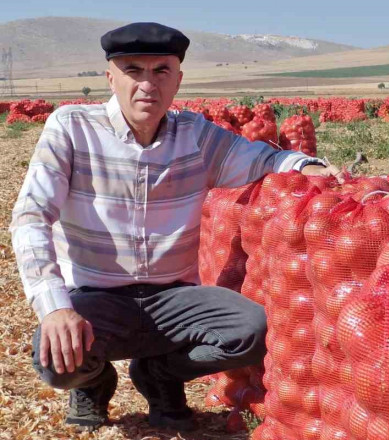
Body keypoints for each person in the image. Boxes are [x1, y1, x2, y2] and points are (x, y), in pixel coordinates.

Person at [9, 22, 341, 432]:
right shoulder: (71, 128)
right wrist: (56, 307)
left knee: (254, 331)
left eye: (161, 71)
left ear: (177, 80)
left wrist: (305, 164)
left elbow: (263, 158)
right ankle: (94, 381)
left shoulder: (196, 135)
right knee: (53, 357)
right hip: (97, 296)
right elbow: (31, 217)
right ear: (110, 77)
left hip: (173, 297)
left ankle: (160, 374)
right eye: (133, 70)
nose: (147, 84)